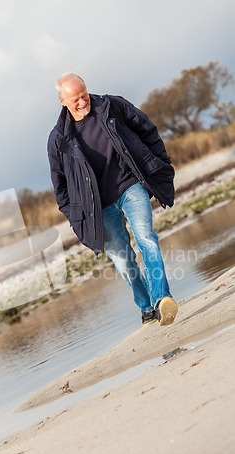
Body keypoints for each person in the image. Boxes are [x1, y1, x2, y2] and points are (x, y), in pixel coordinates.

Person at [47, 72, 178, 326]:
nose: (82, 102)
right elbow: (60, 187)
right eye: (75, 99)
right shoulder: (58, 139)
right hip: (99, 207)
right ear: (62, 101)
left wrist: (160, 161)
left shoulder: (112, 106)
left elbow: (147, 130)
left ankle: (162, 298)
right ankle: (146, 306)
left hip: (130, 186)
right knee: (123, 260)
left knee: (147, 238)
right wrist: (76, 217)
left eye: (83, 95)